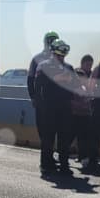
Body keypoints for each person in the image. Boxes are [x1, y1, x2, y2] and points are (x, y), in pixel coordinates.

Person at [35, 39, 77, 174]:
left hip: (65, 108)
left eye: (63, 56)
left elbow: (76, 85)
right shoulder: (43, 66)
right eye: (59, 55)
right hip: (49, 108)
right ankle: (46, 164)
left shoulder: (69, 68)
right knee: (48, 137)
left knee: (64, 137)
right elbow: (38, 86)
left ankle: (64, 163)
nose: (61, 58)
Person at [26, 31, 59, 159]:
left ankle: (48, 156)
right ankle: (47, 158)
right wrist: (33, 97)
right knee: (45, 130)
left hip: (53, 102)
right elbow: (30, 79)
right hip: (43, 101)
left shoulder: (58, 59)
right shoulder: (37, 59)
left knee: (51, 130)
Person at [73, 54, 98, 170]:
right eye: (88, 64)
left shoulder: (90, 75)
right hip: (76, 111)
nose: (89, 67)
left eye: (91, 65)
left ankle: (82, 156)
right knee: (75, 135)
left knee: (84, 136)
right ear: (83, 63)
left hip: (85, 111)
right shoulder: (78, 73)